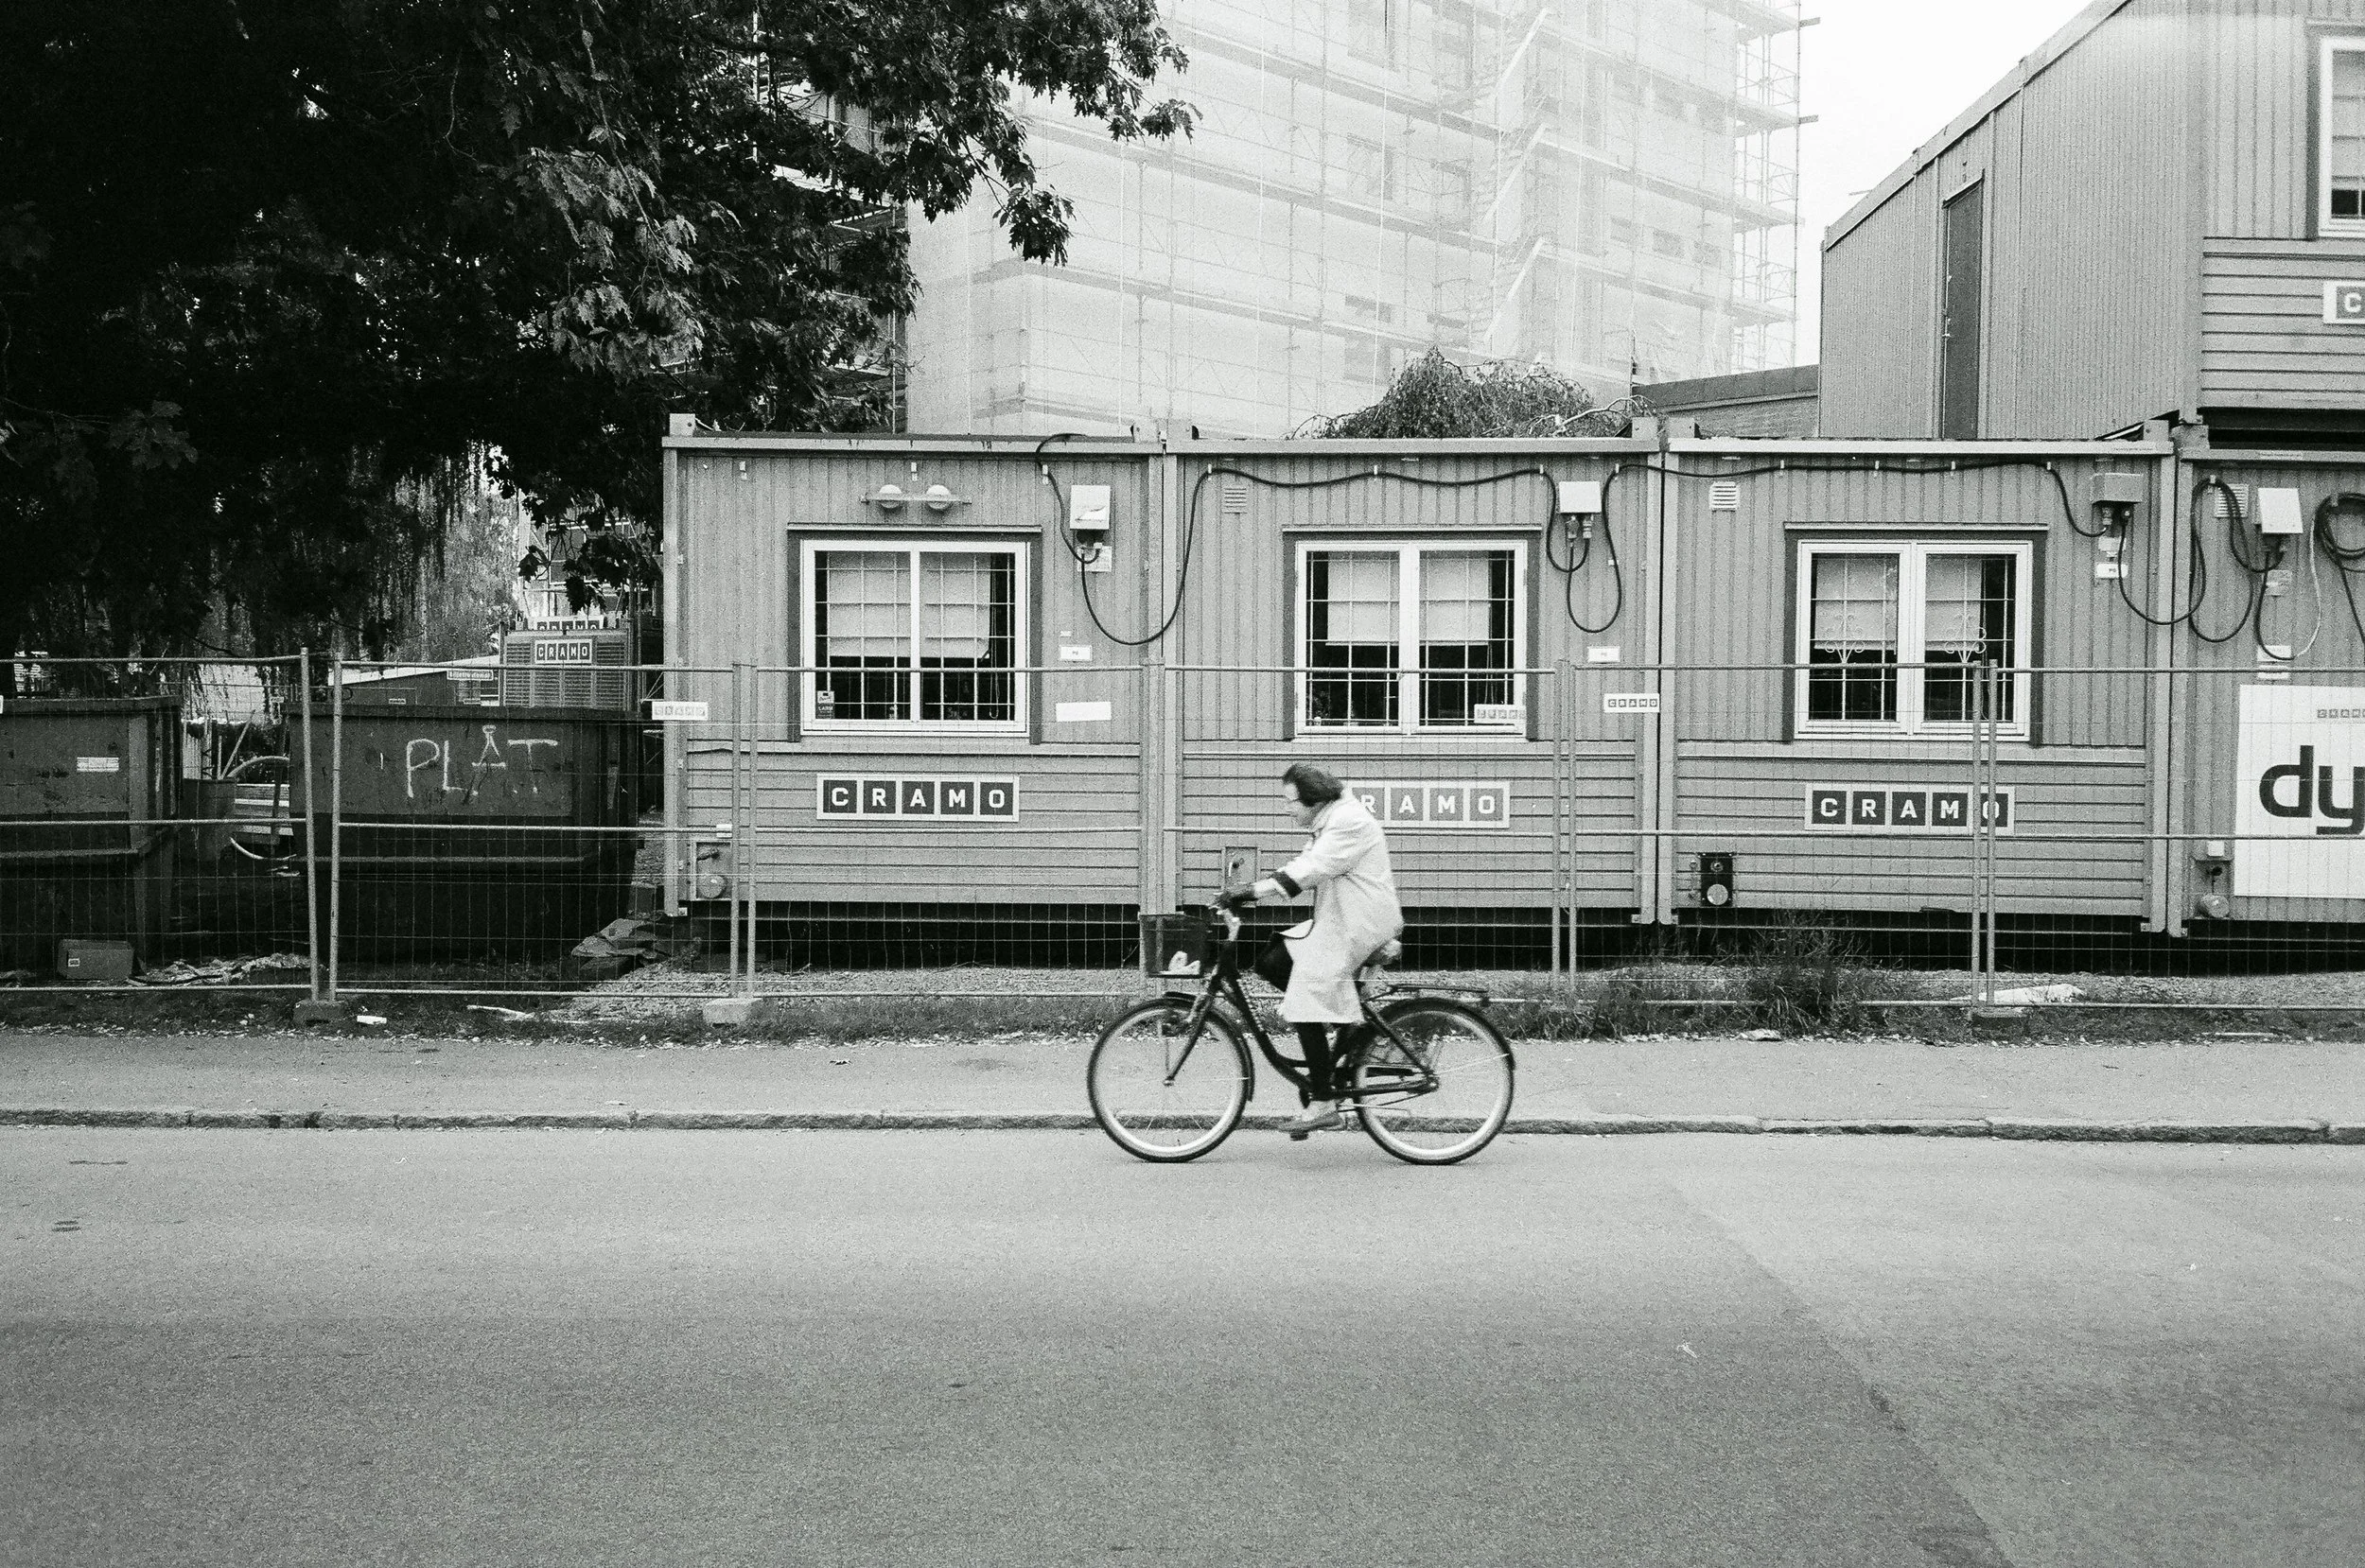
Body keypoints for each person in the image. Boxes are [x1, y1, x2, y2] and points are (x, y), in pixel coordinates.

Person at [1221, 762, 1405, 1137]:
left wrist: (1252, 891)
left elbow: (1313, 870)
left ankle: (1323, 1102)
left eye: (1291, 802)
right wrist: (1254, 889)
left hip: (1359, 924)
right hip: (1340, 920)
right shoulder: (1330, 820)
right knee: (1274, 961)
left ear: (1313, 800)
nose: (1288, 809)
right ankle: (1344, 1033)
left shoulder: (1348, 822)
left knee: (1305, 997)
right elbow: (1304, 863)